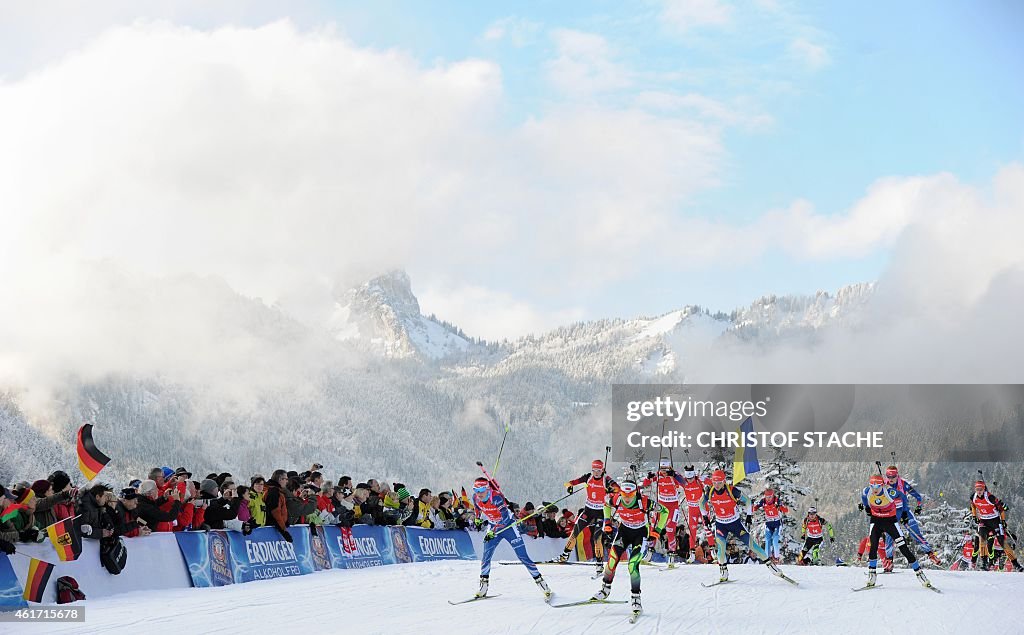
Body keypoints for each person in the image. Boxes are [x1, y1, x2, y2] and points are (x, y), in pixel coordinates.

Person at [471, 475, 551, 601]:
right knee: (486, 555)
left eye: (481, 491)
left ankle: (542, 584)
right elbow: (477, 508)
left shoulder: (496, 497)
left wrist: (494, 531)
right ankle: (483, 587)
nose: (478, 494)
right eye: (476, 490)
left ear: (487, 489)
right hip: (493, 526)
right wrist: (477, 518)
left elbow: (505, 518)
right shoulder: (475, 497)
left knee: (522, 556)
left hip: (508, 526)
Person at [700, 469, 785, 583]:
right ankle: (724, 571)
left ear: (724, 481)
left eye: (719, 482)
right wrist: (705, 517)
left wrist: (749, 516)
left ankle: (771, 566)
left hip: (735, 524)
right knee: (720, 550)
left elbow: (748, 501)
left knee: (753, 545)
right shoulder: (710, 492)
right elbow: (700, 503)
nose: (717, 485)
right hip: (721, 525)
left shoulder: (731, 490)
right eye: (714, 482)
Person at [592, 480, 651, 618]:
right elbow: (606, 504)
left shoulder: (644, 501)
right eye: (624, 495)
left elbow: (664, 511)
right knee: (612, 560)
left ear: (635, 493)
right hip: (624, 531)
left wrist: (657, 531)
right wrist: (607, 522)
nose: (627, 498)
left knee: (632, 565)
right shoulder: (617, 498)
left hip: (640, 533)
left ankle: (636, 599)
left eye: (630, 495)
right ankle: (605, 589)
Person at [860, 474, 931, 589]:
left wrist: (903, 513)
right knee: (873, 547)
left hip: (890, 522)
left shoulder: (890, 492)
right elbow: (863, 498)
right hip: (876, 521)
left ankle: (920, 575)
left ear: (882, 485)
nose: (875, 489)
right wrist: (867, 508)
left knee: (904, 548)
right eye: (872, 486)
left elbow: (903, 497)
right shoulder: (867, 491)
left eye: (877, 486)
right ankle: (871, 576)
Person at [558, 459, 618, 570]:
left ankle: (599, 563)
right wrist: (569, 486)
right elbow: (572, 482)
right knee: (575, 531)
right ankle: (565, 555)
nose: (596, 472)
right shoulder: (588, 477)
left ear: (602, 470)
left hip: (601, 512)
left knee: (597, 538)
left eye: (598, 470)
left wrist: (611, 491)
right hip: (588, 511)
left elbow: (617, 490)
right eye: (594, 470)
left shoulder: (606, 480)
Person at [883, 466, 940, 565]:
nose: (891, 479)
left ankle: (931, 554)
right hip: (892, 513)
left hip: (904, 511)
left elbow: (917, 496)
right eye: (888, 476)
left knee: (915, 533)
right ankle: (889, 560)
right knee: (889, 536)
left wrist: (918, 506)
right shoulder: (884, 485)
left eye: (893, 476)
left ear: (897, 475)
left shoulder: (903, 484)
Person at [641, 459, 686, 566]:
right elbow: (645, 484)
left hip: (673, 506)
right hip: (660, 506)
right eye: (662, 468)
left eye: (666, 469)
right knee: (654, 528)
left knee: (670, 529)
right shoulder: (658, 475)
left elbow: (684, 483)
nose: (664, 471)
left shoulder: (673, 475)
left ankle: (671, 555)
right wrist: (648, 477)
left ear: (669, 467)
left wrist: (674, 475)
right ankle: (649, 553)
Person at [970, 479, 1007, 571]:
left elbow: (998, 507)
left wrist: (1000, 508)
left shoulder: (988, 498)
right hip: (981, 525)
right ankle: (973, 563)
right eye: (977, 489)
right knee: (977, 546)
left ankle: (989, 564)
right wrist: (974, 517)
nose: (978, 491)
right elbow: (973, 508)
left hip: (990, 525)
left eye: (981, 489)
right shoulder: (974, 499)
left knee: (989, 546)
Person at [679, 465, 711, 562]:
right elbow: (675, 479)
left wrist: (703, 478)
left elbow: (711, 482)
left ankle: (713, 551)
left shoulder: (698, 481)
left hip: (702, 508)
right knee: (692, 531)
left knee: (707, 528)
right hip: (692, 510)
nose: (690, 480)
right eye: (688, 478)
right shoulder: (684, 482)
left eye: (691, 478)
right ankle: (692, 553)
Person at [754, 488, 789, 564]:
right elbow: (756, 507)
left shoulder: (777, 501)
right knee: (767, 540)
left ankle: (776, 558)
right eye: (767, 497)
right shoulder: (763, 501)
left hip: (777, 524)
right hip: (769, 524)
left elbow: (786, 510)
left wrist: (781, 507)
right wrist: (753, 508)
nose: (768, 498)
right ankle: (768, 558)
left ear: (773, 496)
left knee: (775, 540)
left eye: (770, 497)